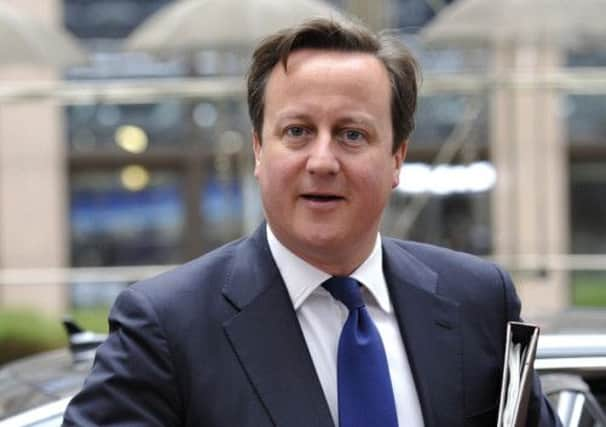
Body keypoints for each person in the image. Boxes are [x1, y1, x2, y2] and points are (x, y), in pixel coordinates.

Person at [63, 17, 561, 427]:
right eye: (297, 131)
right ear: (259, 150)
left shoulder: (479, 301)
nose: (322, 161)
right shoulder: (167, 328)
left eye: (351, 134)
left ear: (396, 158)